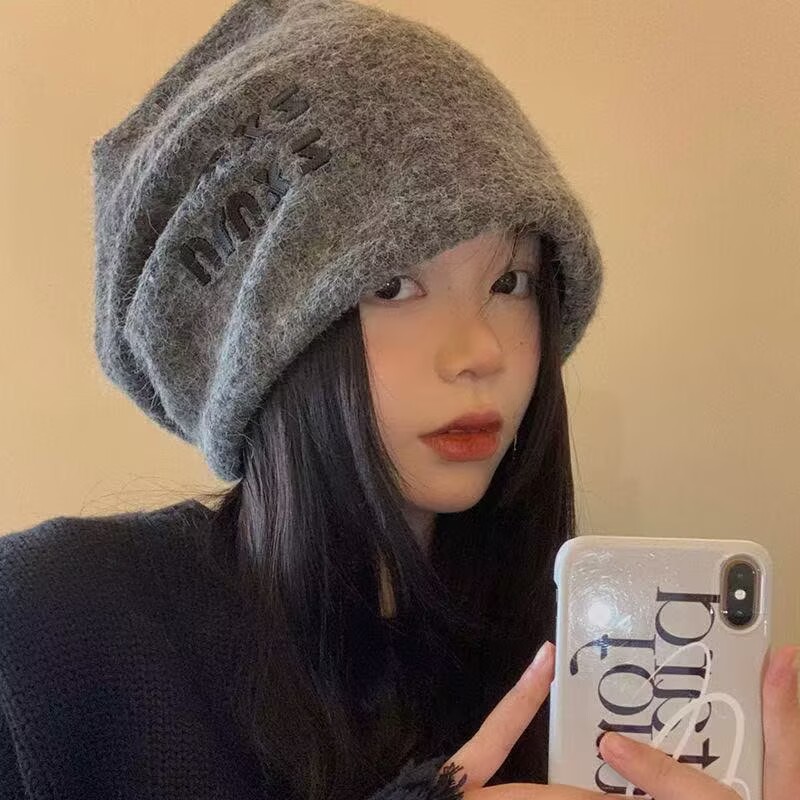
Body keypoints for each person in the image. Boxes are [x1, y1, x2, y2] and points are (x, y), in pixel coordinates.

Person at [2, 1, 797, 799]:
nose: (481, 352)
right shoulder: (47, 631)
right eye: (391, 286)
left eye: (510, 282)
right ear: (257, 348)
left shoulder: (601, 667)